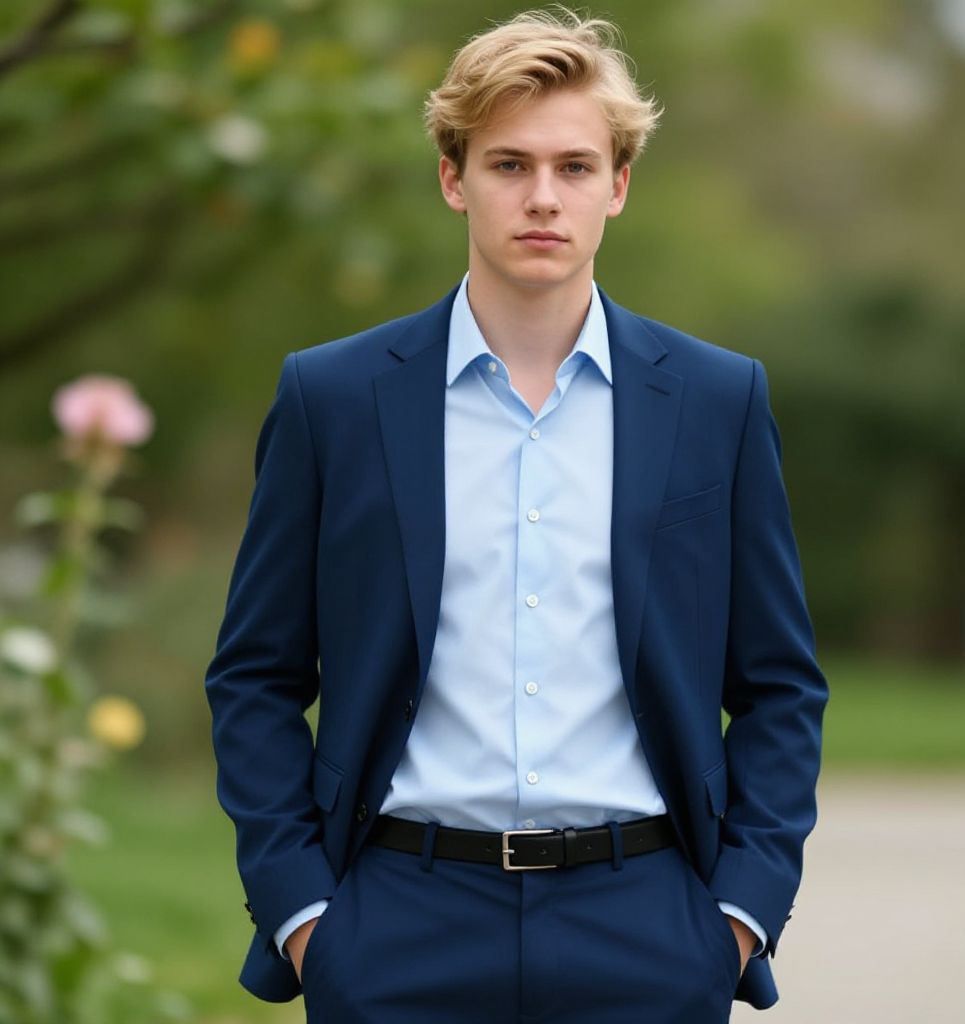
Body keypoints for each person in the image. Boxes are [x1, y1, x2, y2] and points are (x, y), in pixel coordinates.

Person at [204, 9, 828, 1023]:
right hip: (395, 927)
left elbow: (779, 684)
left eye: (576, 167)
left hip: (648, 928)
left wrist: (740, 913)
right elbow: (256, 674)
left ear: (618, 186)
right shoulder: (334, 398)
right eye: (508, 164)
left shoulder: (717, 401)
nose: (543, 196)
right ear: (454, 179)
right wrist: (303, 912)